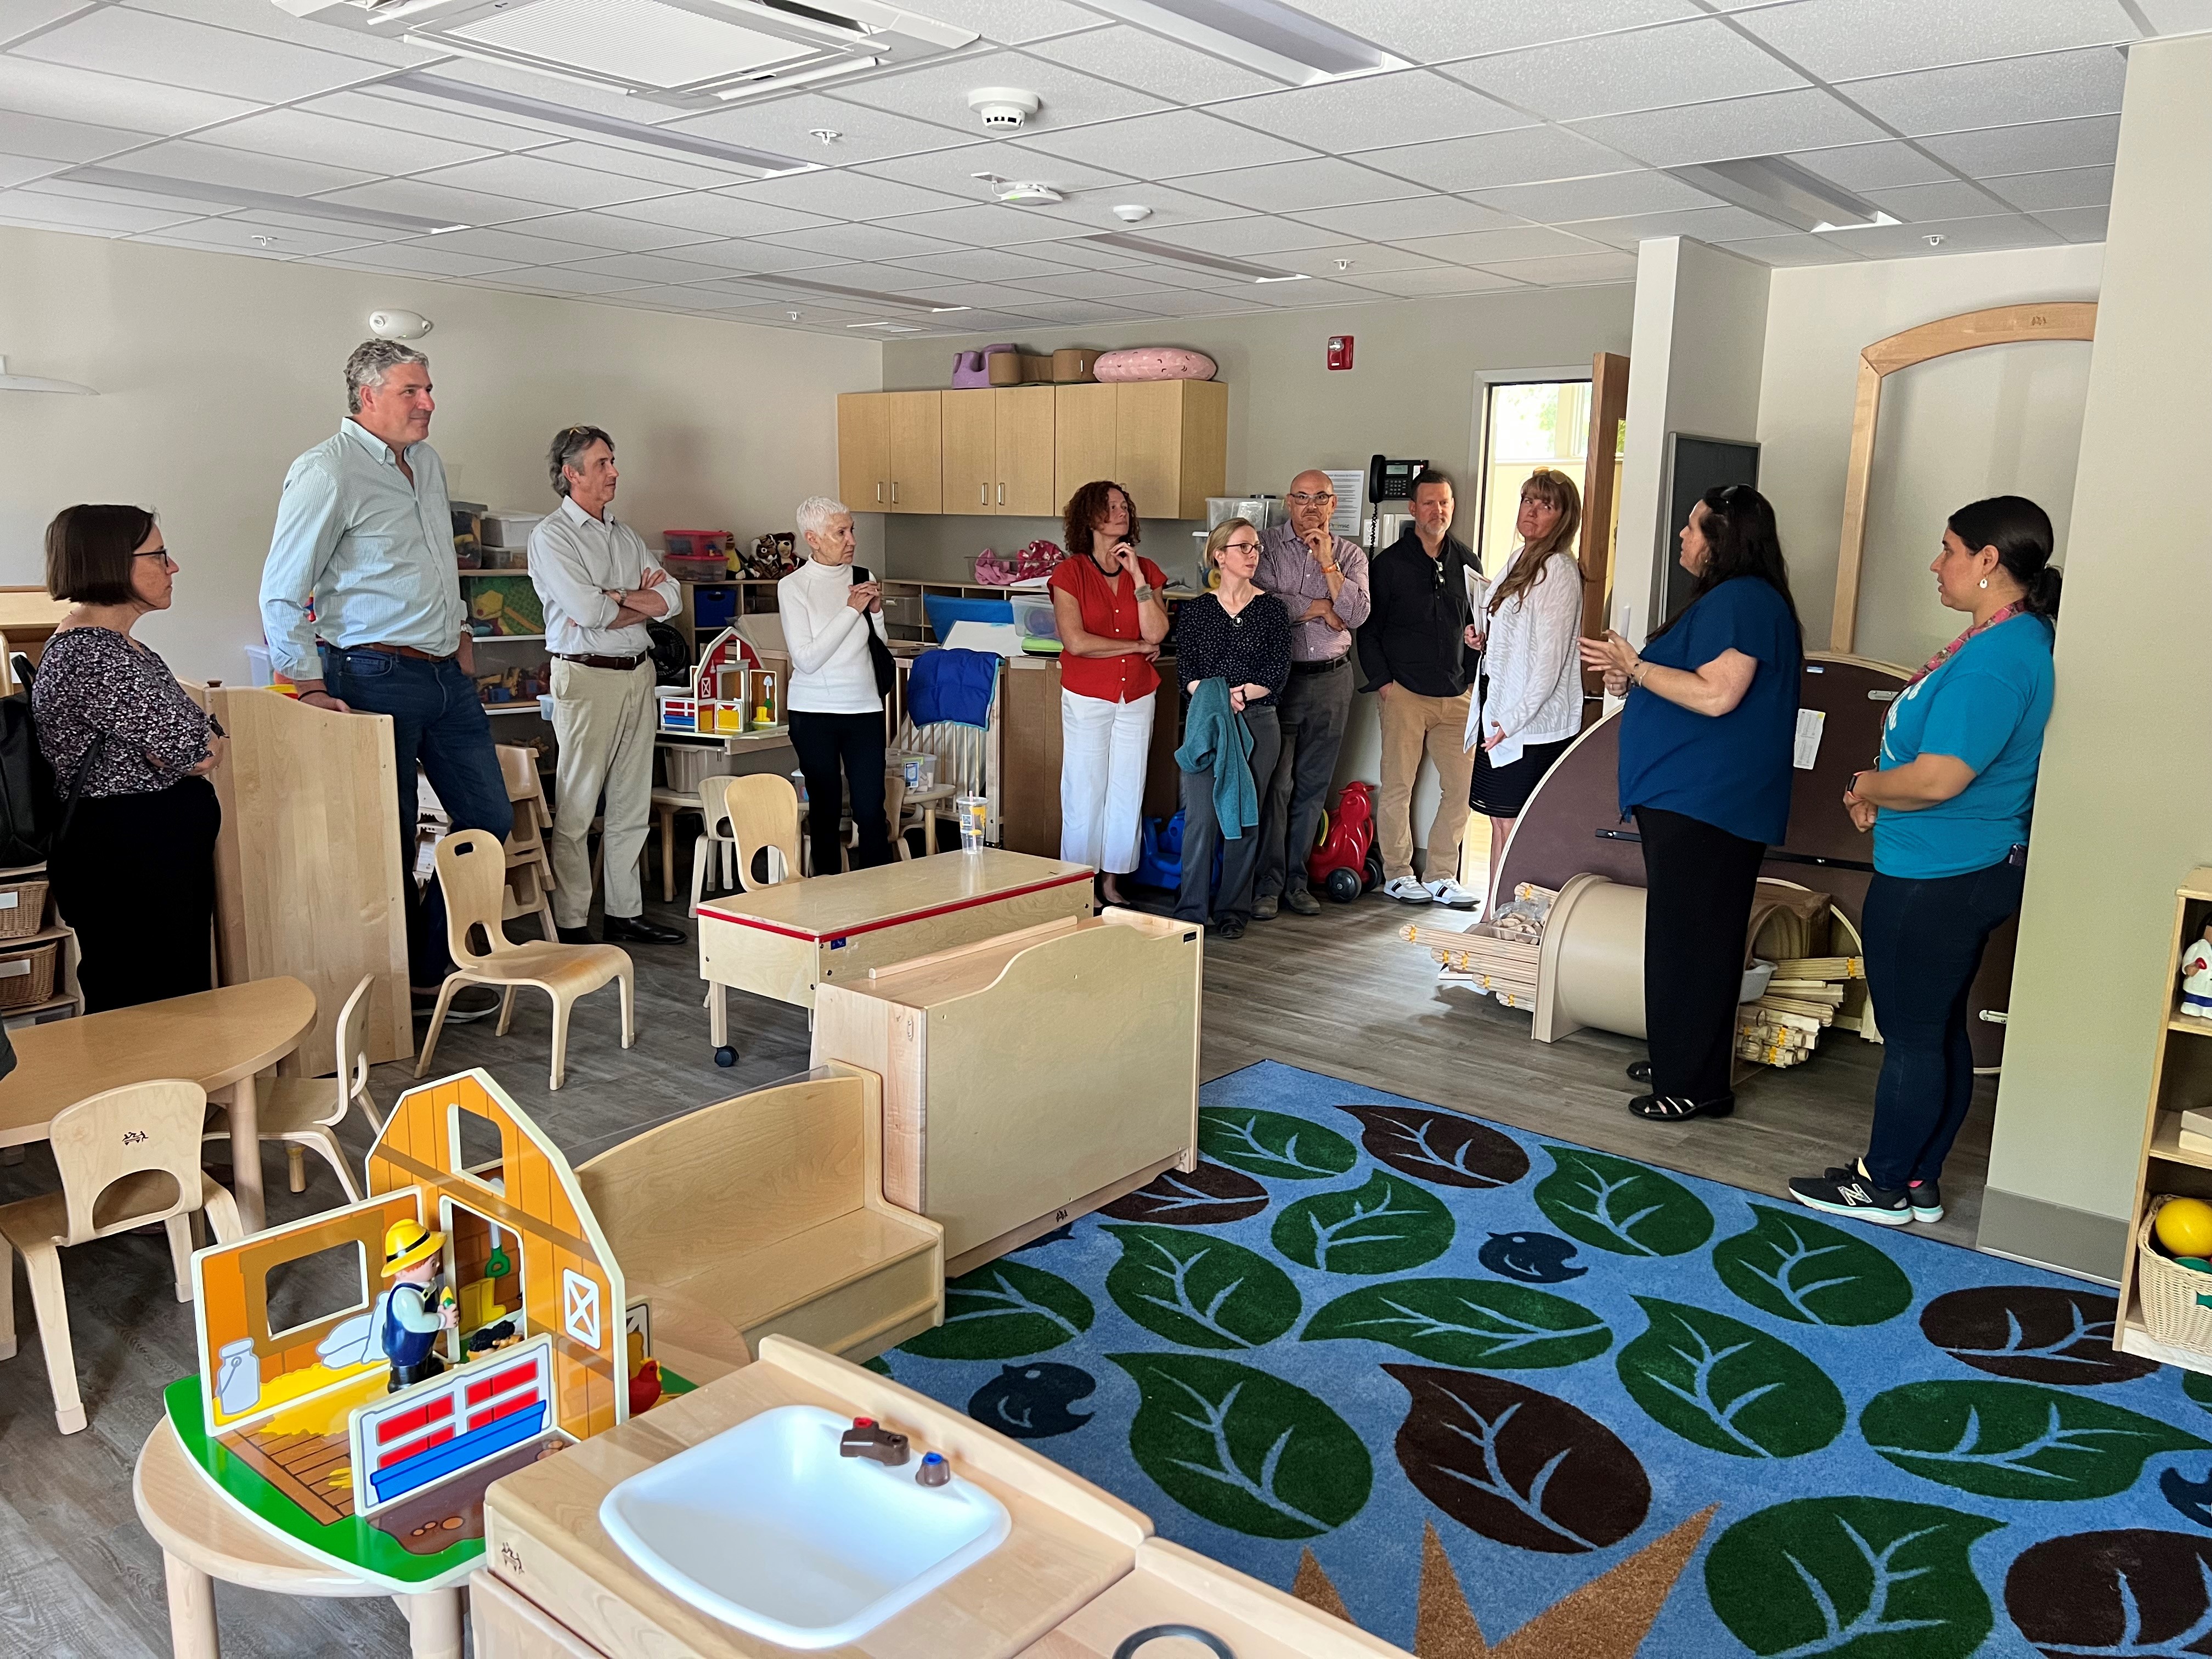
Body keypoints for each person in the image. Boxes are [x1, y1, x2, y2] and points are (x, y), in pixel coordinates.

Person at [1789, 496, 2061, 1224]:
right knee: (1937, 1032)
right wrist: (1887, 790)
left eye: (1948, 549)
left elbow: (1942, 777)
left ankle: (1880, 1182)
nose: (1935, 564)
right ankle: (1918, 1181)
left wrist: (1864, 784)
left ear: (1988, 562)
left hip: (1938, 877)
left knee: (1913, 1039)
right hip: (1962, 865)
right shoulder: (2014, 641)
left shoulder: (1996, 661)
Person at [261, 340, 510, 1021]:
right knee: (389, 838)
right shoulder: (325, 471)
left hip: (444, 675)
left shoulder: (424, 463)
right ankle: (398, 992)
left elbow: (435, 562)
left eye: (429, 389)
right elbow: (283, 591)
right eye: (412, 391)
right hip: (370, 673)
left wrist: (460, 636)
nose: (428, 403)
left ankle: (431, 968)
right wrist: (307, 685)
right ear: (367, 397)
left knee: (490, 817)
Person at [1580, 484, 1802, 1124]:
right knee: (1689, 935)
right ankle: (1683, 1055)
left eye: (1693, 527)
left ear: (1724, 539)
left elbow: (1716, 696)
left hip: (1710, 801)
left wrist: (1638, 667)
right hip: (1694, 798)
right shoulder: (1728, 600)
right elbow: (1688, 685)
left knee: (1695, 940)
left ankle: (1696, 1083)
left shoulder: (1745, 600)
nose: (1683, 536)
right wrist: (1632, 672)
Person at [33, 505, 225, 1012]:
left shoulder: (121, 646)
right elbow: (197, 749)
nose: (173, 567)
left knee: (169, 991)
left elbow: (191, 738)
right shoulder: (91, 653)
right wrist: (193, 743)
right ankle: (150, 1095)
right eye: (159, 555)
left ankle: (178, 1091)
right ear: (111, 562)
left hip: (148, 851)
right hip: (126, 857)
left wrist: (192, 742)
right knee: (142, 1002)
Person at [527, 425, 684, 947]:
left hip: (638, 673)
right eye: (601, 464)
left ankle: (624, 912)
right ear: (571, 474)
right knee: (577, 804)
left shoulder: (625, 534)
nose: (614, 472)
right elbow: (586, 611)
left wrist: (617, 597)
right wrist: (632, 599)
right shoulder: (552, 536)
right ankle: (572, 921)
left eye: (613, 460)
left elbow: (674, 601)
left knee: (630, 802)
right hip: (585, 675)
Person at [1464, 468, 1587, 913]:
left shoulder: (1559, 571)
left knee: (1515, 829)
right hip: (1501, 714)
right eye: (1527, 500)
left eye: (1545, 504)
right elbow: (1511, 637)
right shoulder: (1520, 559)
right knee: (1500, 824)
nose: (1531, 510)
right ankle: (1494, 920)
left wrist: (1509, 723)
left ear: (1563, 516)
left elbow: (1549, 664)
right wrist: (1482, 638)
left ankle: (1511, 928)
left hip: (1529, 726)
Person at [1357, 469, 1480, 908]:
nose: (1439, 510)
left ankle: (1443, 874)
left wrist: (1473, 665)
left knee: (1461, 789)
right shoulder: (1388, 565)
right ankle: (1398, 873)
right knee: (1397, 787)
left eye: (1445, 502)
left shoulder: (1467, 561)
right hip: (1404, 693)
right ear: (1413, 509)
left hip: (1457, 694)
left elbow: (1477, 623)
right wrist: (1385, 684)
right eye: (1429, 503)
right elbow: (1368, 632)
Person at [1253, 470, 1371, 918]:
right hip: (1280, 679)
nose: (1310, 507)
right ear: (1289, 502)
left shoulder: (1351, 555)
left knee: (1312, 788)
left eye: (1320, 498)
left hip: (1333, 680)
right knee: (1277, 785)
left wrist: (1327, 565)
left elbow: (1357, 614)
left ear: (1333, 505)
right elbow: (1259, 603)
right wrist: (1322, 607)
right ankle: (1267, 884)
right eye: (1302, 497)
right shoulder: (1262, 546)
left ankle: (1297, 882)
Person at [1049, 481, 1169, 904]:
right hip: (1088, 694)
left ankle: (1113, 882)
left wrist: (1137, 578)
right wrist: (1135, 647)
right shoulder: (1070, 574)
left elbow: (1157, 630)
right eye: (1111, 506)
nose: (1121, 512)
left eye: (1124, 506)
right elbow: (1077, 641)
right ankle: (1080, 882)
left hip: (1136, 694)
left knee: (1127, 786)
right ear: (1089, 517)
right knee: (1085, 787)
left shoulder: (1148, 570)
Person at [1171, 520, 1291, 939]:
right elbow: (1186, 671)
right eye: (1243, 547)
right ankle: (1191, 909)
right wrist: (1222, 699)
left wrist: (1237, 694)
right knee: (1201, 818)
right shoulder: (1197, 611)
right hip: (1208, 725)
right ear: (1219, 555)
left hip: (1258, 724)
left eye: (1256, 547)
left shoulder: (1273, 610)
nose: (1253, 554)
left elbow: (1276, 672)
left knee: (1245, 818)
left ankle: (1232, 911)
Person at [782, 496, 893, 878]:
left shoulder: (862, 574)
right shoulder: (793, 586)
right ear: (813, 539)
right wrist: (851, 610)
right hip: (813, 712)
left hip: (864, 708)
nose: (851, 540)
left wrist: (875, 612)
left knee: (870, 809)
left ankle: (883, 900)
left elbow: (878, 644)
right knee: (826, 809)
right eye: (840, 532)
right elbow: (807, 659)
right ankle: (826, 899)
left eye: (851, 530)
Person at [377, 1218, 456, 1393]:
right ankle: (403, 1384)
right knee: (410, 1376)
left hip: (421, 1347)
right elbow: (417, 1323)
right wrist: (443, 1319)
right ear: (404, 1270)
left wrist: (441, 1311)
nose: (438, 1266)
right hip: (405, 1351)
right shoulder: (405, 1296)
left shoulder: (426, 1284)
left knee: (425, 1361)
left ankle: (426, 1370)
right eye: (432, 1264)